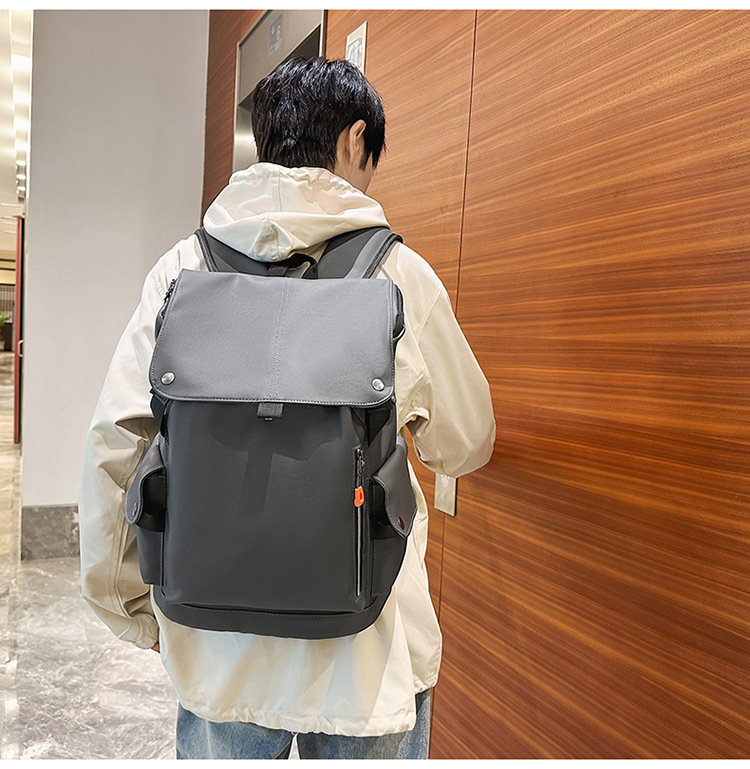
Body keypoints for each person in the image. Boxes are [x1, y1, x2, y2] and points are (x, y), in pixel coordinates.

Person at [78, 56, 495, 760]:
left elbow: (117, 445)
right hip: (368, 652)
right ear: (356, 140)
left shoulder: (182, 270)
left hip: (218, 649)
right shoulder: (401, 276)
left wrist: (129, 606)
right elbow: (466, 443)